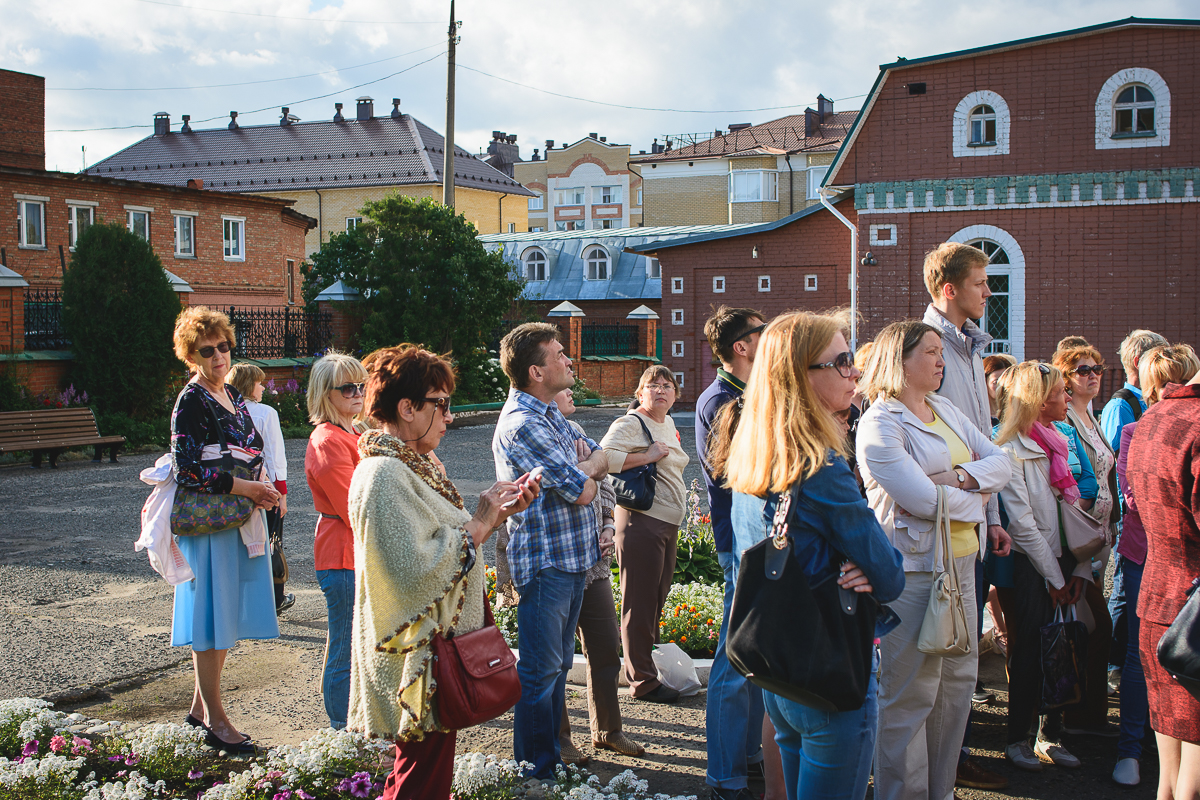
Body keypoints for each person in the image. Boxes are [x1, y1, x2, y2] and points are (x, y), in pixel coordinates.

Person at [724, 310, 904, 800]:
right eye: (841, 362)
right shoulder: (821, 466)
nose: (855, 372)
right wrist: (870, 565)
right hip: (829, 673)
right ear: (799, 376)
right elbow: (890, 578)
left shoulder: (764, 452)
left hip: (782, 668)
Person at [345, 344, 538, 800]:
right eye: (441, 403)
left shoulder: (411, 467)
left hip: (430, 652)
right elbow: (411, 569)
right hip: (416, 661)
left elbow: (441, 539)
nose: (449, 417)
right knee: (421, 782)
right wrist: (481, 523)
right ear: (407, 408)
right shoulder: (384, 474)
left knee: (417, 774)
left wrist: (493, 516)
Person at [855, 320, 1012, 800]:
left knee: (956, 689)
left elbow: (1001, 463)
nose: (942, 360)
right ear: (898, 360)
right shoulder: (879, 423)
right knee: (909, 696)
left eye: (941, 351)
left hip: (963, 567)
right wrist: (978, 498)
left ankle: (941, 791)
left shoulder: (944, 408)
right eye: (930, 351)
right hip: (913, 572)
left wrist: (958, 478)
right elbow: (922, 500)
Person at [492, 323, 610, 779]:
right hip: (548, 566)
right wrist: (586, 469)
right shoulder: (524, 424)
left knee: (557, 668)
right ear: (536, 372)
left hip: (572, 561)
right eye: (559, 354)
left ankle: (548, 763)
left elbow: (600, 457)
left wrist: (585, 466)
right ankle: (536, 771)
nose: (568, 360)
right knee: (540, 674)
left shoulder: (548, 412)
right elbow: (583, 489)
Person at [170, 306, 280, 754]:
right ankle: (217, 720)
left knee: (224, 613)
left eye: (224, 347)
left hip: (236, 517)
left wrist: (261, 486)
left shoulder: (231, 393)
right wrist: (246, 487)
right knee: (211, 619)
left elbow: (249, 449)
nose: (218, 356)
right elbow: (186, 470)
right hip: (211, 523)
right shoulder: (191, 400)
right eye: (207, 351)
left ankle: (200, 709)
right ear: (190, 356)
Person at [920, 242, 1010, 791]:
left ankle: (954, 753)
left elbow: (985, 443)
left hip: (973, 517)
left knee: (965, 649)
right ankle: (943, 762)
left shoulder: (972, 347)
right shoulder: (924, 346)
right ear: (950, 289)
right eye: (981, 282)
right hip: (942, 526)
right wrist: (974, 491)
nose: (989, 292)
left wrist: (992, 516)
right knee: (945, 649)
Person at [695, 306, 780, 800]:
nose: (769, 337)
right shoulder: (720, 400)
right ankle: (724, 775)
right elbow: (734, 476)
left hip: (754, 540)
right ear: (741, 346)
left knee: (752, 654)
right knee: (733, 660)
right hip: (741, 544)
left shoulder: (746, 393)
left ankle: (748, 754)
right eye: (761, 332)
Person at [993, 362, 1092, 772]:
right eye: (1059, 391)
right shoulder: (1009, 450)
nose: (1067, 397)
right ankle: (1018, 737)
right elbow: (1023, 525)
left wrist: (1079, 568)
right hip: (1034, 565)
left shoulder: (1060, 439)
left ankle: (1051, 734)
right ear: (1037, 399)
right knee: (1032, 648)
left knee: (1066, 644)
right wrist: (1053, 577)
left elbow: (1074, 509)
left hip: (1064, 561)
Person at [1111, 344, 1200, 787]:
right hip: (1193, 609)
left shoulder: (1150, 420)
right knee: (1192, 780)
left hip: (1158, 597)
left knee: (1169, 776)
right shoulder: (1194, 424)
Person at [548, 387, 644, 762]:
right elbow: (568, 489)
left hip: (593, 561)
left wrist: (607, 524)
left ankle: (608, 730)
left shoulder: (575, 429)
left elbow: (603, 480)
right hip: (556, 562)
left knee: (605, 646)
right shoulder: (533, 432)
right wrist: (588, 468)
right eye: (563, 389)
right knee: (555, 658)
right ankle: (560, 739)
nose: (571, 391)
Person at [601, 365, 691, 704]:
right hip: (641, 522)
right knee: (639, 603)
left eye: (667, 385)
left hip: (666, 524)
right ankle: (642, 682)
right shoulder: (631, 423)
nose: (661, 390)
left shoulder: (666, 422)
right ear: (640, 393)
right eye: (653, 385)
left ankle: (647, 669)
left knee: (655, 600)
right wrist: (646, 456)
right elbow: (603, 457)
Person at [1052, 344, 1121, 737]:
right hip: (1077, 537)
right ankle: (1078, 717)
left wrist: (1112, 522)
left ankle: (1083, 716)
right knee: (1093, 625)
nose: (1093, 375)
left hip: (1099, 536)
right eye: (1083, 370)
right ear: (1065, 378)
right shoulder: (1065, 421)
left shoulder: (1091, 416)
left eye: (1097, 368)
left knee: (1088, 624)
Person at [304, 351, 369, 730]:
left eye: (361, 385)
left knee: (358, 646)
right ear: (325, 393)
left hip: (357, 553)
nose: (358, 393)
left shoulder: (355, 432)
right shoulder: (327, 440)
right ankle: (341, 729)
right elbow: (353, 507)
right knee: (346, 647)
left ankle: (353, 725)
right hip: (342, 554)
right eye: (348, 388)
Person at [1101, 329, 1168, 695]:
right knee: (1125, 592)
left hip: (1146, 521)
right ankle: (1114, 665)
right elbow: (1116, 467)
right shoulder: (1121, 405)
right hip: (1132, 520)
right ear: (1141, 362)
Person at [226, 364, 294, 614]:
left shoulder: (224, 411)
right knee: (270, 543)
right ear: (248, 385)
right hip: (264, 488)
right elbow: (275, 456)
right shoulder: (266, 413)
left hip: (233, 488)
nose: (263, 387)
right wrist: (282, 494)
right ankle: (275, 598)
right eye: (259, 383)